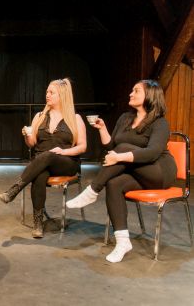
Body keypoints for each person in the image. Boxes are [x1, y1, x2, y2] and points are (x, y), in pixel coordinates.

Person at [66, 79, 176, 263]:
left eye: (136, 91)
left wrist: (119, 156)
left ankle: (92, 190)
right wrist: (102, 129)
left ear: (150, 95)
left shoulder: (159, 123)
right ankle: (123, 241)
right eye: (131, 90)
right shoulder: (125, 118)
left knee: (124, 149)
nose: (130, 94)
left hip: (160, 172)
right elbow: (111, 145)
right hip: (138, 172)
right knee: (114, 183)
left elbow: (152, 152)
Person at [0, 78, 87, 238]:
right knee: (39, 174)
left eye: (51, 92)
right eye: (47, 91)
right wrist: (27, 135)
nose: (47, 95)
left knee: (47, 156)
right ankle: (38, 223)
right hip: (42, 162)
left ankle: (15, 189)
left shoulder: (75, 118)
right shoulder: (40, 116)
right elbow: (32, 144)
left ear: (62, 96)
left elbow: (82, 146)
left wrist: (62, 152)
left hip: (66, 162)